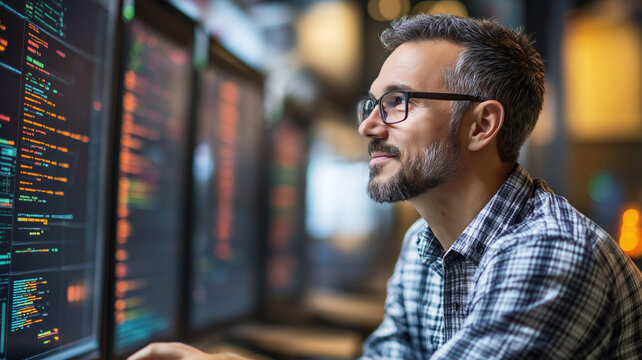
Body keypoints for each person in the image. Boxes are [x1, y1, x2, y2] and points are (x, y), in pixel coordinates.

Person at [128, 13, 642, 360]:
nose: (368, 127)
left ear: (483, 125)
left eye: (397, 102)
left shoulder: (549, 252)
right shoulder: (423, 244)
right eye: (371, 104)